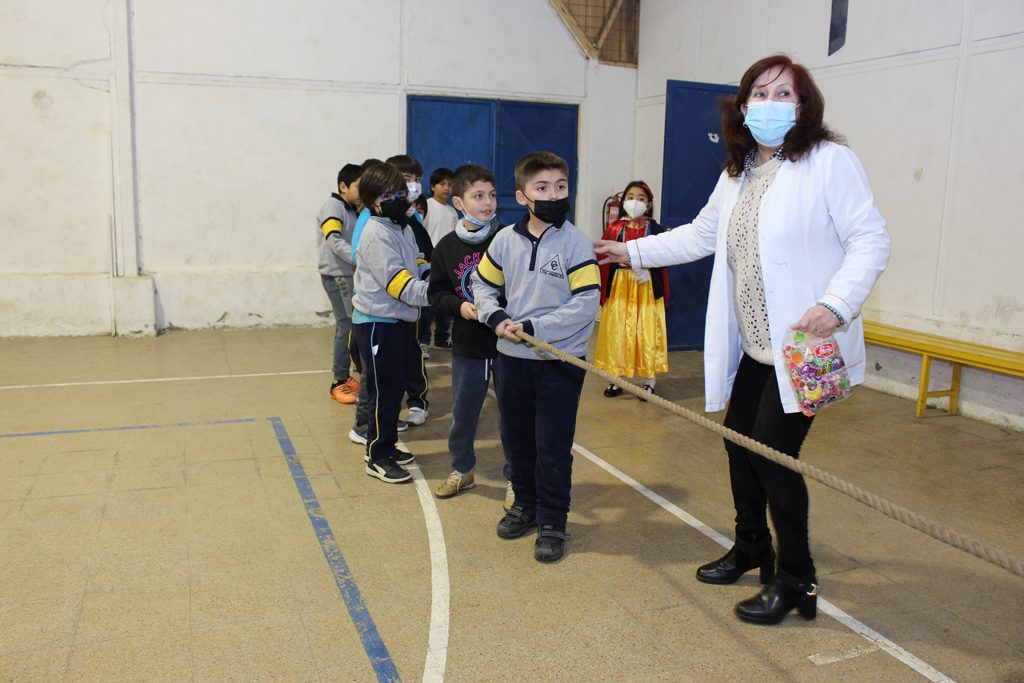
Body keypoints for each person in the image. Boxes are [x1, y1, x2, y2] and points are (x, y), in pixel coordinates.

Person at [595, 55, 890, 623]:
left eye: (785, 94)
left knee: (775, 457)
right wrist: (630, 251)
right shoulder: (738, 172)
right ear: (743, 105)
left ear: (804, 106)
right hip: (757, 345)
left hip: (805, 345)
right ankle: (752, 544)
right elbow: (702, 234)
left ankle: (797, 579)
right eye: (761, 93)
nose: (771, 103)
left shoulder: (829, 161)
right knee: (738, 442)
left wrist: (836, 304)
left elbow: (870, 239)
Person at [472, 151, 600, 564]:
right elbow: (482, 285)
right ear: (522, 196)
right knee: (517, 440)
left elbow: (586, 303)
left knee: (552, 446)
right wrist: (494, 316)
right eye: (541, 188)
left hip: (560, 363)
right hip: (511, 359)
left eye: (560, 187)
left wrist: (534, 328)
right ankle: (525, 505)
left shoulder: (576, 242)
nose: (553, 195)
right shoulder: (504, 241)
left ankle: (552, 521)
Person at [427, 164, 513, 509]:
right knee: (463, 413)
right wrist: (459, 307)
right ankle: (462, 469)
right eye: (478, 196)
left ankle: (516, 478)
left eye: (491, 195)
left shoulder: (509, 239)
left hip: (509, 345)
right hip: (468, 345)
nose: (487, 202)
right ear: (459, 203)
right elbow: (437, 293)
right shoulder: (446, 247)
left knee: (513, 415)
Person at [351, 162, 430, 484]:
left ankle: (386, 443)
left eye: (399, 192)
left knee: (395, 387)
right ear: (373, 200)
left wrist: (432, 275)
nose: (396, 199)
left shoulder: (402, 227)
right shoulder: (375, 234)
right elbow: (398, 284)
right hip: (378, 323)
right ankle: (377, 455)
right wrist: (437, 295)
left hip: (400, 320)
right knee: (383, 392)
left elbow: (416, 261)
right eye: (386, 195)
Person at [594, 180, 669, 398]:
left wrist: (644, 262)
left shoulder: (655, 229)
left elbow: (664, 256)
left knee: (646, 331)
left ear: (649, 204)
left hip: (646, 287)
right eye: (630, 197)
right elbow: (602, 256)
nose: (634, 201)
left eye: (640, 198)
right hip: (620, 285)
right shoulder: (614, 228)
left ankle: (649, 381)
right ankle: (617, 378)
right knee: (618, 331)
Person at [385, 154, 431, 425]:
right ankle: (370, 421)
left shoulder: (412, 219)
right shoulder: (374, 220)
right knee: (381, 367)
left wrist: (427, 273)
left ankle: (417, 401)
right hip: (384, 307)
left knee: (412, 355)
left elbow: (421, 252)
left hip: (412, 302)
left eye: (417, 179)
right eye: (406, 179)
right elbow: (359, 254)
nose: (413, 185)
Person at [316, 163, 363, 404]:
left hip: (348, 274)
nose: (363, 192)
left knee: (351, 325)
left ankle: (346, 375)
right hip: (338, 275)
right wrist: (360, 258)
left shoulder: (353, 210)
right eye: (359, 187)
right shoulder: (332, 207)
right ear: (343, 186)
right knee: (347, 326)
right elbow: (333, 240)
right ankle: (338, 381)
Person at [423, 167, 458, 350]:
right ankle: (423, 340)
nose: (446, 188)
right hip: (429, 261)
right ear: (432, 186)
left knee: (446, 303)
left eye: (450, 184)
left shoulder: (452, 212)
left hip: (447, 262)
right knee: (428, 304)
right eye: (442, 184)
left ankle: (442, 337)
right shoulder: (426, 206)